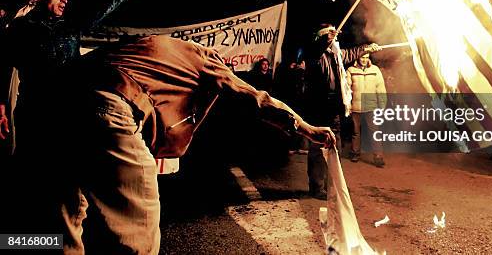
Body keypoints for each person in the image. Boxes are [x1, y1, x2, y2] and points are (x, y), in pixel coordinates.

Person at [42, 35, 335, 254]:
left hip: (56, 110)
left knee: (65, 218)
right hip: (112, 108)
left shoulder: (140, 47)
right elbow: (255, 99)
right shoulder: (203, 57)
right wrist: (305, 127)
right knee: (138, 232)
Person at [0, 0, 156, 152]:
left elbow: (99, 11)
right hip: (35, 111)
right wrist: (1, 109)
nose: (65, 0)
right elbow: (4, 66)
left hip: (70, 110)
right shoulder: (20, 29)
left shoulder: (70, 27)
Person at [303, 23, 380, 199]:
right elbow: (316, 48)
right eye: (330, 34)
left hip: (334, 108)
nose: (334, 36)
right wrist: (325, 38)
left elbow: (352, 53)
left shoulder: (337, 54)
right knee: (317, 149)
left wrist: (368, 47)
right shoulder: (315, 54)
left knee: (334, 148)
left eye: (334, 33)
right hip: (318, 108)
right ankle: (316, 187)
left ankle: (332, 186)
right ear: (322, 36)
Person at [346, 53, 387, 167]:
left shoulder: (375, 70)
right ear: (357, 58)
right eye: (362, 57)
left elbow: (380, 87)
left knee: (374, 132)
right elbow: (347, 90)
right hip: (356, 107)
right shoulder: (351, 70)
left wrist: (382, 105)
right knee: (356, 132)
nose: (364, 60)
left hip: (371, 106)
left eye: (366, 57)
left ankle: (378, 157)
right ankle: (355, 153)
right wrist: (347, 105)